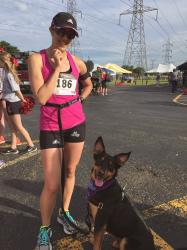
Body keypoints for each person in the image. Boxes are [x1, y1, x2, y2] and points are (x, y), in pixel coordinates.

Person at [28, 12, 92, 249]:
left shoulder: (78, 62)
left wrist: (80, 99)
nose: (65, 37)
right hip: (51, 125)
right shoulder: (37, 58)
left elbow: (88, 84)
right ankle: (44, 231)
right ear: (51, 29)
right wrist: (55, 68)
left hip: (76, 122)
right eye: (61, 32)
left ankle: (64, 213)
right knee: (52, 183)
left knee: (71, 171)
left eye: (70, 34)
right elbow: (42, 98)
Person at [0, 51, 37, 154]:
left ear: (3, 62)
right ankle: (13, 147)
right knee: (12, 126)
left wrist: (23, 99)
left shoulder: (9, 75)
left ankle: (31, 145)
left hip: (13, 102)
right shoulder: (7, 72)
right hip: (9, 101)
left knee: (19, 126)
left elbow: (16, 90)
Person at [0, 52, 22, 146]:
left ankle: (16, 139)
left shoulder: (4, 71)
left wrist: (23, 99)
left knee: (8, 118)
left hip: (5, 97)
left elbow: (14, 88)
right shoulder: (4, 70)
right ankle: (3, 137)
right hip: (4, 96)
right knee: (4, 117)